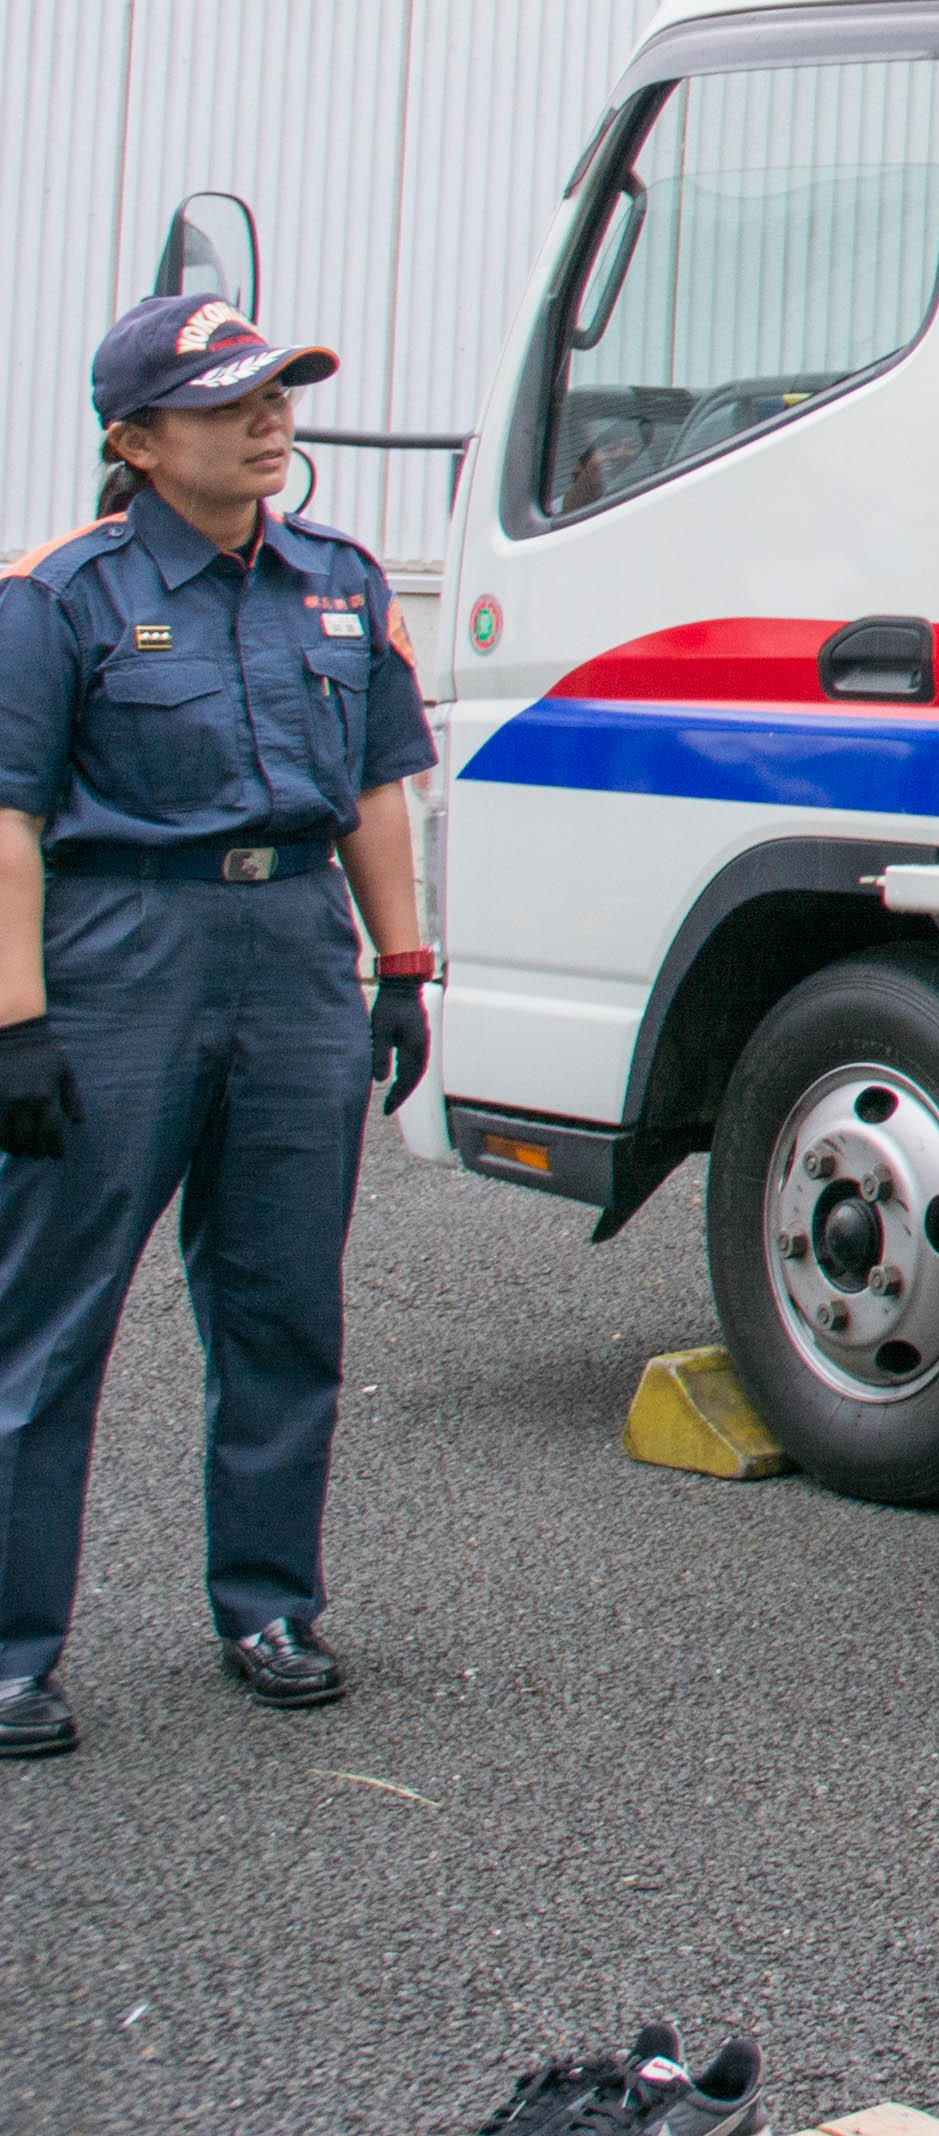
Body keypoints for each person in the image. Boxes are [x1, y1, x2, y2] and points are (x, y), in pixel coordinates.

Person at [0, 297, 444, 1761]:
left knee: (281, 1305)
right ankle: (12, 1651)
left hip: (294, 952)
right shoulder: (56, 595)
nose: (270, 423)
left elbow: (379, 781)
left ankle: (267, 1602)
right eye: (229, 403)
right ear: (133, 441)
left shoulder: (337, 581)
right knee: (49, 1317)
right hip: (124, 949)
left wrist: (401, 962)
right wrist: (16, 1023)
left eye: (279, 394)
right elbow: (7, 820)